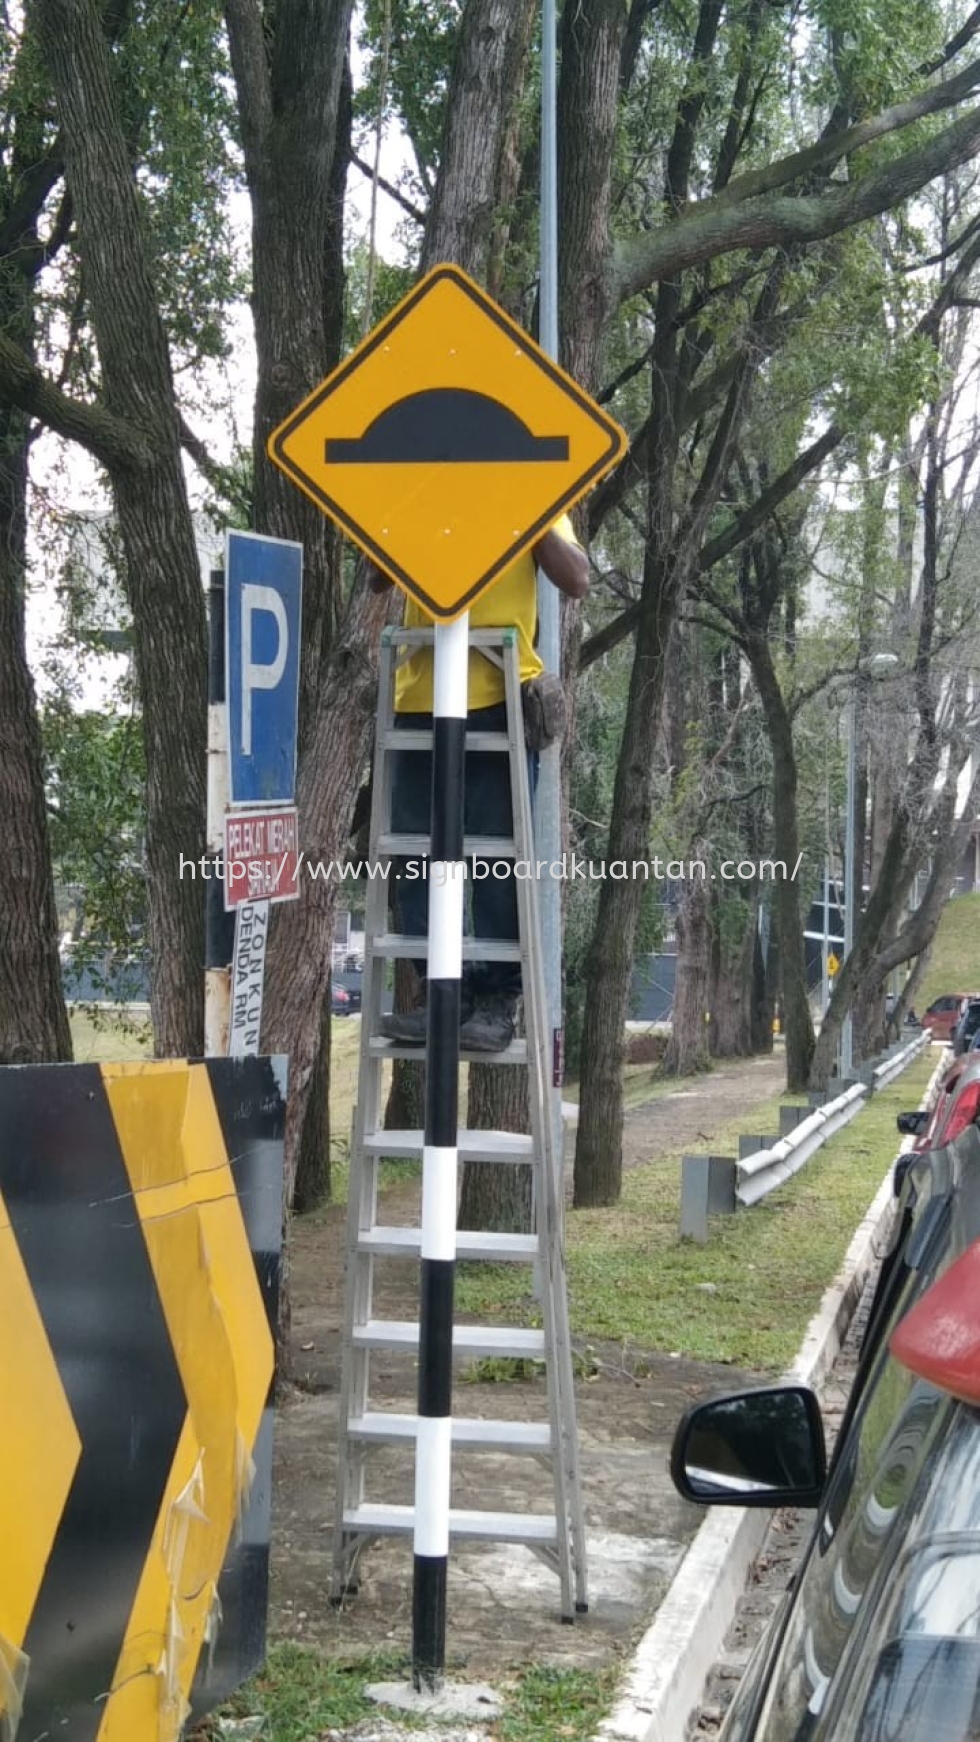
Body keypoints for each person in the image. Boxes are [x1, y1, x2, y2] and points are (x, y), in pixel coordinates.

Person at [369, 515, 588, 1052]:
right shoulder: (422, 489)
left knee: (497, 858)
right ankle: (440, 993)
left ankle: (495, 1000)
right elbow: (376, 577)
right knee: (415, 856)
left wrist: (527, 514)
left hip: (500, 695)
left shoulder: (535, 492)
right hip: (420, 694)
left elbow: (577, 578)